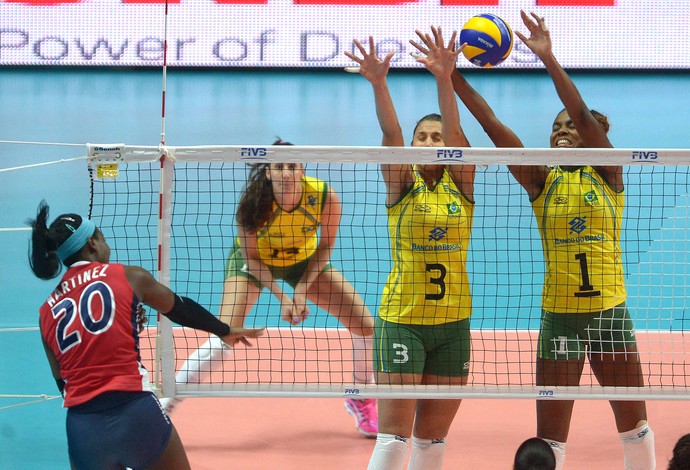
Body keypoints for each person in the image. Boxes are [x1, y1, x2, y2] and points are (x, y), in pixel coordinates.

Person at [411, 10, 655, 470]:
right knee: (549, 443)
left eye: (571, 129)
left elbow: (583, 114)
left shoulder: (608, 174)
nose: (562, 133)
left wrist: (548, 59)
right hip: (559, 318)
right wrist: (453, 77)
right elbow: (491, 125)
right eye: (555, 128)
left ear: (592, 139)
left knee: (634, 428)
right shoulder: (540, 182)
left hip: (609, 313)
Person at [162, 138, 378, 438]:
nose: (286, 173)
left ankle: (361, 396)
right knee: (225, 333)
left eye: (292, 166)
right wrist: (282, 297)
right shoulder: (253, 205)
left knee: (365, 325)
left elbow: (326, 245)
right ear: (269, 172)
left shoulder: (325, 197)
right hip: (255, 263)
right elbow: (250, 258)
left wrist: (301, 290)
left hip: (304, 261)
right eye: (279, 167)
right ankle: (165, 405)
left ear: (302, 170)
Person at [29, 200, 264, 470]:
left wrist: (124, 324)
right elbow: (179, 308)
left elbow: (64, 383)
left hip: (83, 429)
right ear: (93, 243)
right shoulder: (128, 276)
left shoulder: (46, 311)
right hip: (135, 412)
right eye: (102, 237)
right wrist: (223, 330)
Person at [345, 27, 475, 469]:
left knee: (432, 441)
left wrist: (445, 78)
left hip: (453, 323)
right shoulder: (401, 182)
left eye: (439, 138)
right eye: (424, 137)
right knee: (395, 437)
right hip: (403, 320)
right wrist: (380, 85)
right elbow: (391, 133)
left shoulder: (463, 183)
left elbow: (458, 135)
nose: (432, 144)